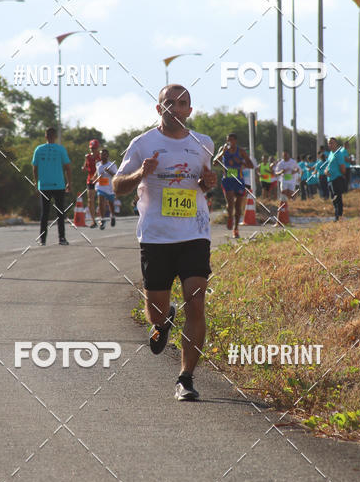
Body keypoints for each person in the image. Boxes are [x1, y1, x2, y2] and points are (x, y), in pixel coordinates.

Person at [113, 84, 216, 402]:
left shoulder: (204, 143)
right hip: (156, 236)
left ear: (190, 110)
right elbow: (118, 186)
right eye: (169, 102)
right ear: (159, 109)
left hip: (194, 233)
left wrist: (208, 183)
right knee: (156, 311)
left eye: (183, 103)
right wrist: (140, 174)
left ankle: (186, 378)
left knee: (196, 302)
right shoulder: (143, 144)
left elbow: (205, 182)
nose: (176, 107)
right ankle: (163, 319)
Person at [32, 127, 71, 246]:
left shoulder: (39, 149)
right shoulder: (60, 149)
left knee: (45, 213)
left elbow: (35, 167)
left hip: (44, 185)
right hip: (58, 184)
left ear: (45, 136)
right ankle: (62, 238)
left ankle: (42, 240)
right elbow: (68, 167)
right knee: (60, 212)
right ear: (55, 136)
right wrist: (69, 182)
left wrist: (36, 182)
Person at [217, 133, 254, 239]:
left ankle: (236, 228)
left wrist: (241, 162)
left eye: (232, 140)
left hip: (239, 180)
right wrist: (222, 153)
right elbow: (215, 162)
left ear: (235, 141)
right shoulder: (223, 149)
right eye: (228, 140)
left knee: (238, 208)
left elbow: (251, 165)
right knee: (230, 204)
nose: (229, 142)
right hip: (227, 180)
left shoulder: (241, 151)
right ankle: (229, 217)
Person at [322, 137, 347, 221]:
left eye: (332, 143)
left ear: (336, 144)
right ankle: (336, 216)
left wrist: (340, 175)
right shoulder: (330, 154)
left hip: (336, 179)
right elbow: (328, 165)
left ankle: (339, 216)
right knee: (333, 199)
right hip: (330, 179)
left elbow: (342, 167)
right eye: (329, 143)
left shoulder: (338, 154)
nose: (330, 144)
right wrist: (326, 171)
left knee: (337, 199)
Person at [95, 148, 118, 229]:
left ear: (107, 156)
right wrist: (94, 179)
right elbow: (96, 174)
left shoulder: (112, 165)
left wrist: (109, 171)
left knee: (110, 203)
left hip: (109, 187)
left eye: (104, 154)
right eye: (101, 154)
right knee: (100, 201)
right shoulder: (98, 164)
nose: (102, 156)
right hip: (100, 186)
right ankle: (103, 219)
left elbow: (116, 176)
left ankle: (113, 216)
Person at [83, 139, 101, 227]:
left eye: (94, 148)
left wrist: (96, 177)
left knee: (101, 199)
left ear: (97, 148)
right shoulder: (88, 157)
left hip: (100, 180)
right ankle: (94, 221)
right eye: (91, 148)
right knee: (90, 200)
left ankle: (101, 217)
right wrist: (84, 168)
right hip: (90, 180)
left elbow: (101, 169)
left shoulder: (101, 157)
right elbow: (85, 167)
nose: (92, 150)